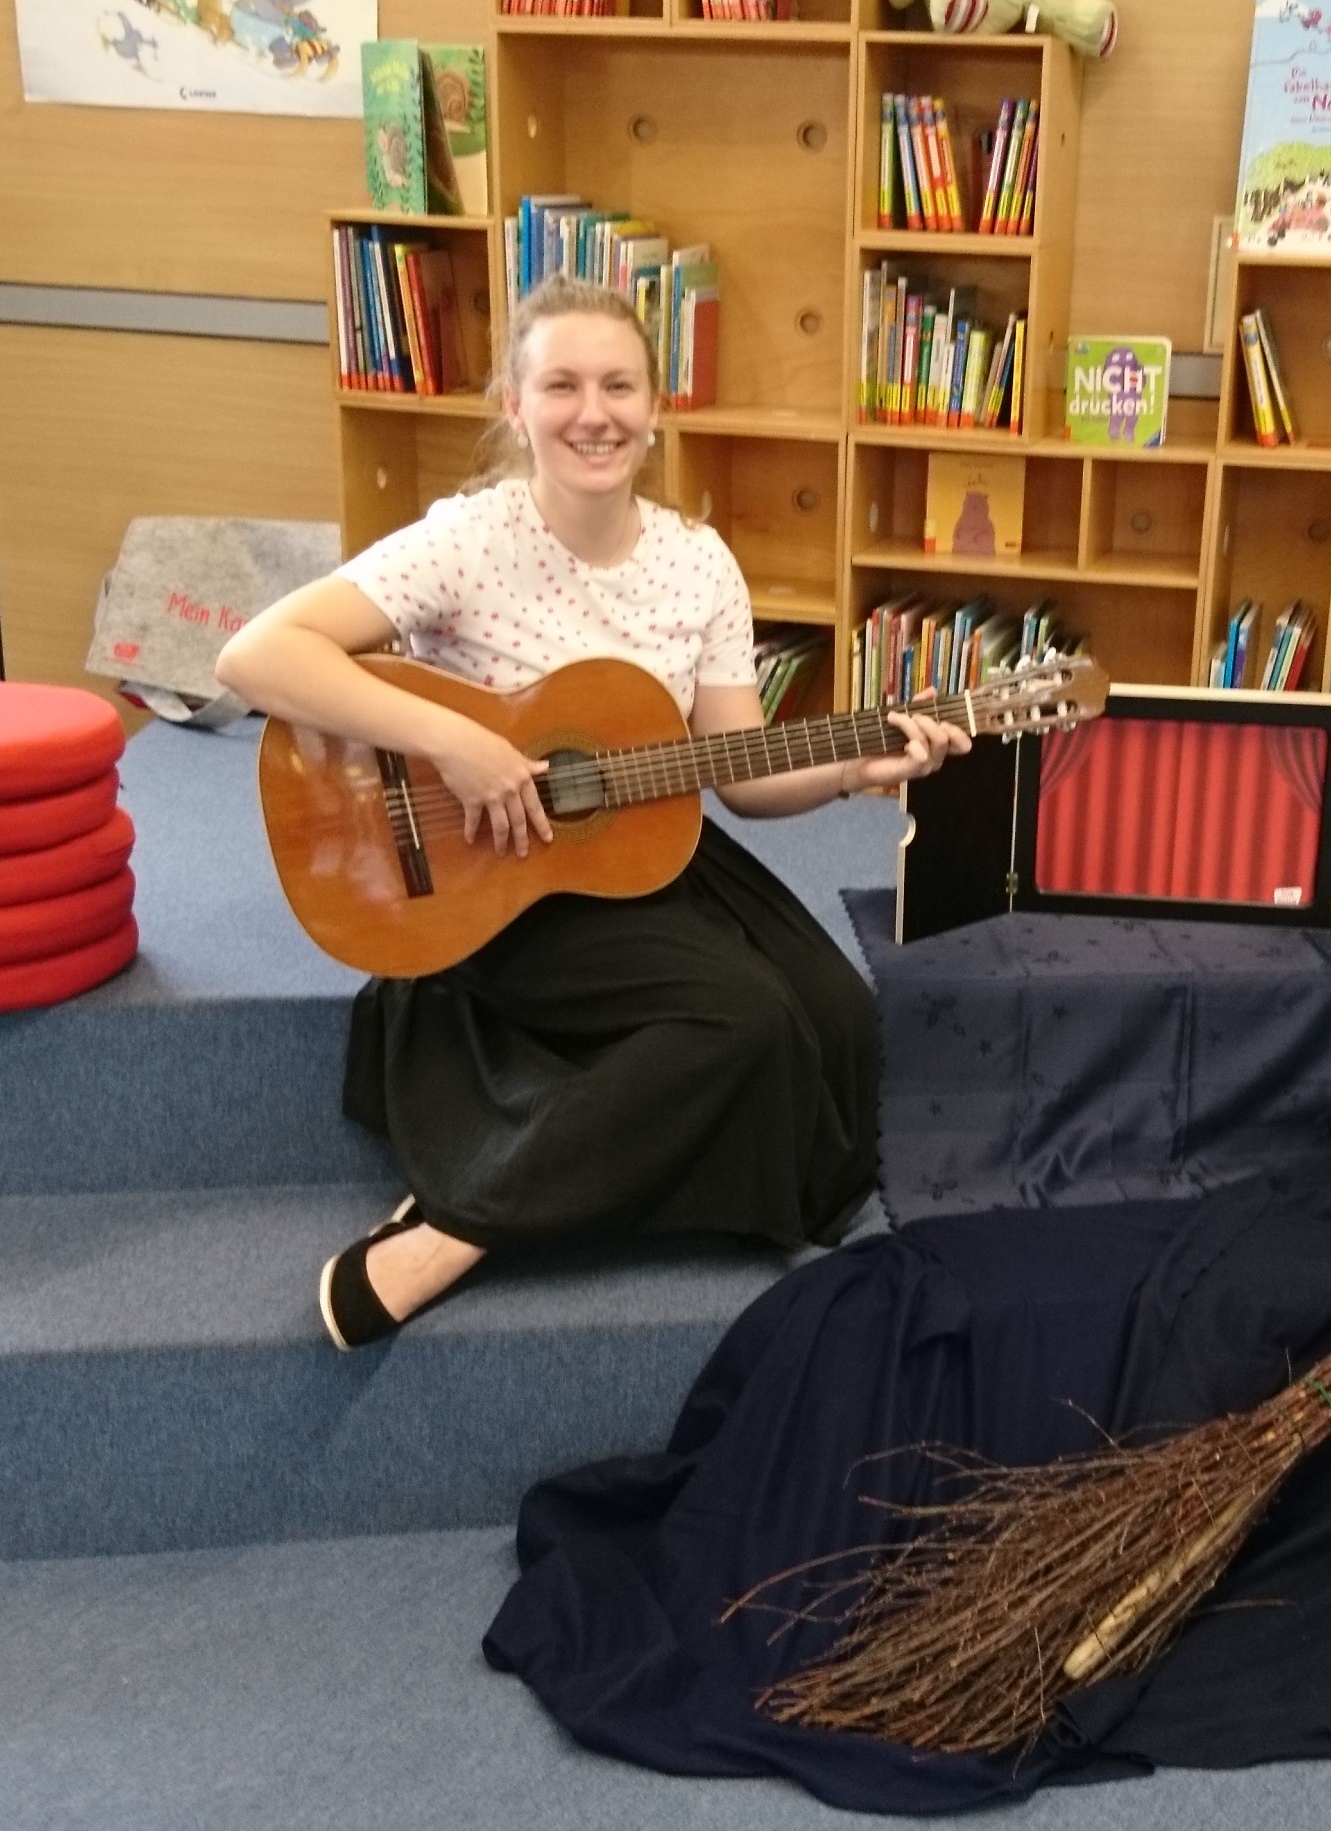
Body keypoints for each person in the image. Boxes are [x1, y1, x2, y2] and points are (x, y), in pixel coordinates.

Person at [214, 277, 970, 1349]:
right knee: (741, 1023)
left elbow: (744, 777)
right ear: (514, 404)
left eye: (619, 385)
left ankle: (575, 1151)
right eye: (561, 384)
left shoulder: (697, 560)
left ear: (657, 407)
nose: (593, 412)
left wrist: (856, 764)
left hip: (645, 846)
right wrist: (456, 742)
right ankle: (464, 1223)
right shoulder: (465, 540)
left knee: (839, 1021)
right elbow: (255, 655)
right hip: (485, 874)